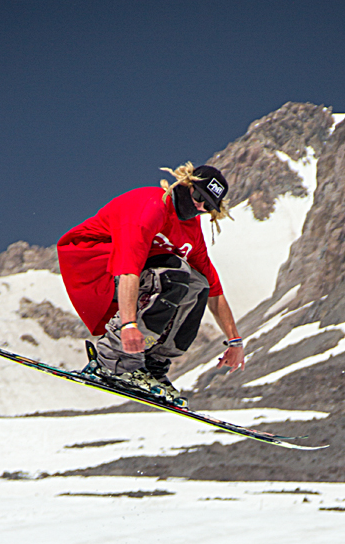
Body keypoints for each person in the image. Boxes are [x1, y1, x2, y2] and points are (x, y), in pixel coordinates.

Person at [57, 163, 244, 405]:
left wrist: (235, 341)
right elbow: (127, 269)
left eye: (208, 206)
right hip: (93, 264)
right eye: (198, 196)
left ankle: (151, 367)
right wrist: (128, 325)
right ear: (185, 184)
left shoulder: (191, 231)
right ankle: (113, 360)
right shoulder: (150, 208)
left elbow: (214, 289)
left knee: (199, 283)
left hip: (134, 275)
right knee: (174, 272)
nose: (199, 206)